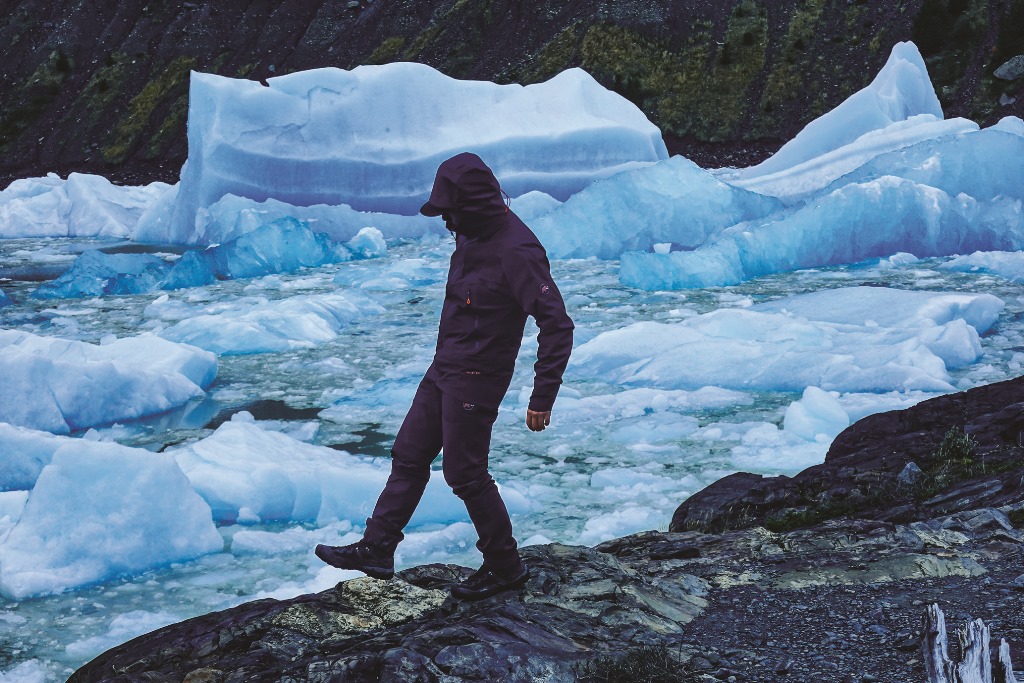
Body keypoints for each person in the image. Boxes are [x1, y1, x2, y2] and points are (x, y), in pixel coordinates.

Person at [315, 152, 574, 600]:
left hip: (477, 378)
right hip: (445, 367)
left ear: (470, 206)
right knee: (409, 454)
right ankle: (378, 549)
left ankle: (505, 567)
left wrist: (542, 396)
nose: (446, 222)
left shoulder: (517, 251)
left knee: (466, 474)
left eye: (450, 212)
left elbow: (557, 324)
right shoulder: (471, 234)